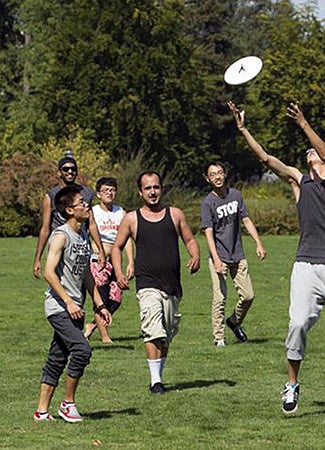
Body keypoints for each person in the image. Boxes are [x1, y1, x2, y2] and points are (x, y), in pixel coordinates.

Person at [228, 100, 325, 416]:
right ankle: (292, 385)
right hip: (306, 265)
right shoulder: (299, 182)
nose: (309, 155)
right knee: (298, 323)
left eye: (311, 153)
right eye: (307, 154)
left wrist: (303, 123)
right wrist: (244, 129)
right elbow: (265, 158)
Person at [111, 171, 200, 394]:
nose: (153, 192)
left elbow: (189, 240)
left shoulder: (175, 214)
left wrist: (195, 256)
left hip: (172, 285)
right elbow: (116, 247)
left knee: (166, 334)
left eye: (156, 187)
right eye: (148, 188)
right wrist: (120, 272)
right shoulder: (132, 218)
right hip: (146, 283)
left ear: (161, 189)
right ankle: (155, 381)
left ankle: (158, 376)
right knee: (153, 330)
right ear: (140, 192)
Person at [33, 185, 112, 423]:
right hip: (59, 307)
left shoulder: (83, 235)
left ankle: (41, 412)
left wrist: (100, 305)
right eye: (82, 203)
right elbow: (49, 272)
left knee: (57, 357)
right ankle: (68, 404)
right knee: (82, 350)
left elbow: (86, 275)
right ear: (69, 210)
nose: (87, 205)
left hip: (76, 306)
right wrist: (68, 302)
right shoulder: (61, 235)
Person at [201, 162, 267, 347]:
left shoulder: (235, 195)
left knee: (248, 296)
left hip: (237, 254)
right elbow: (208, 233)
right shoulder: (208, 203)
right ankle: (219, 337)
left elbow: (246, 219)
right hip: (218, 256)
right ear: (208, 179)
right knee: (219, 298)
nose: (217, 177)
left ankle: (234, 321)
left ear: (225, 174)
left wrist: (258, 243)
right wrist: (215, 260)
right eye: (213, 174)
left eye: (220, 173)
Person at [33, 155, 105, 278]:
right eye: (66, 169)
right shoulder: (51, 196)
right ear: (59, 173)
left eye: (73, 169)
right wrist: (37, 258)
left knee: (81, 282)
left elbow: (92, 224)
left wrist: (101, 250)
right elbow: (45, 228)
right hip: (60, 245)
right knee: (59, 280)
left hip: (81, 245)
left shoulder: (86, 193)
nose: (70, 171)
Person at [84, 177, 135, 343]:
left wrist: (130, 262)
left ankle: (92, 326)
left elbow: (127, 239)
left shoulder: (121, 212)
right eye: (105, 190)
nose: (109, 193)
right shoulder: (92, 212)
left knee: (116, 298)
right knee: (102, 298)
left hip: (116, 262)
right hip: (98, 260)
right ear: (98, 194)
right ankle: (105, 337)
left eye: (112, 190)